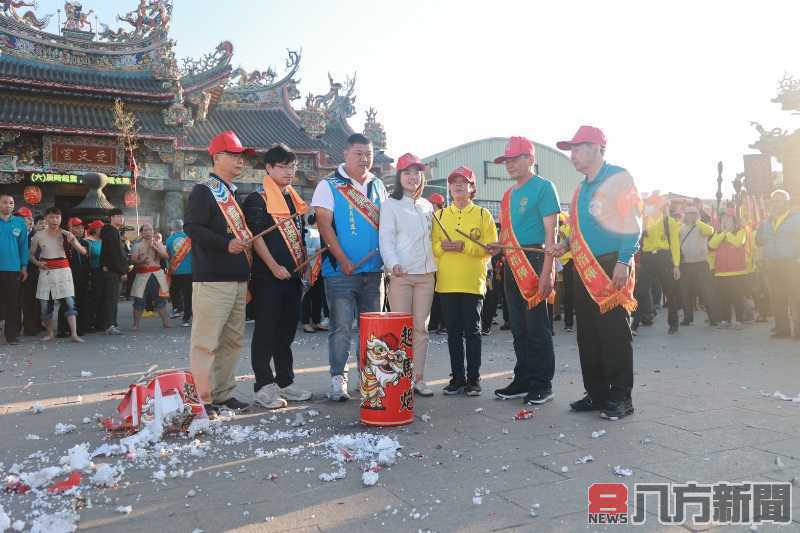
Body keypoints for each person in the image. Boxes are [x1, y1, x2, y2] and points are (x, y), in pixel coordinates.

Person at [550, 125, 642, 420]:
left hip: (611, 263)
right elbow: (577, 230)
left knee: (613, 332)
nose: (572, 156)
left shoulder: (618, 177)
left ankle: (620, 397)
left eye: (577, 149)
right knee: (587, 333)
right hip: (583, 267)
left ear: (597, 148)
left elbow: (632, 222)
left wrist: (624, 260)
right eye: (571, 150)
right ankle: (597, 393)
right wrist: (562, 244)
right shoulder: (580, 189)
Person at [311, 133, 388, 401]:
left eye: (368, 153)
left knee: (372, 329)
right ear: (345, 153)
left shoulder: (379, 185)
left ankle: (369, 380)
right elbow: (323, 224)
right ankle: (337, 380)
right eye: (358, 153)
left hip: (374, 271)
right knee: (341, 327)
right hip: (340, 272)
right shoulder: (329, 185)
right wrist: (343, 260)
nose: (364, 159)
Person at [185, 130, 253, 415]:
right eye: (234, 155)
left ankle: (223, 393)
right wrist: (226, 244)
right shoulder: (203, 190)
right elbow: (193, 228)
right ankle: (201, 398)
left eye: (241, 157)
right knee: (206, 342)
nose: (240, 161)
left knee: (232, 341)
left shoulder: (233, 194)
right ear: (216, 157)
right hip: (212, 279)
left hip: (236, 280)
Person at [488, 137, 560, 406]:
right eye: (506, 160)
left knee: (537, 326)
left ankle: (543, 383)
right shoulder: (508, 195)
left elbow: (551, 233)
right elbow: (509, 234)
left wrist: (548, 272)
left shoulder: (544, 187)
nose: (509, 165)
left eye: (515, 159)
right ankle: (523, 378)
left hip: (536, 259)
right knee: (518, 326)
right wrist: (498, 245)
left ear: (530, 159)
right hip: (511, 260)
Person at [243, 143, 313, 409]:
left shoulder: (293, 198)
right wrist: (273, 267)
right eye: (282, 166)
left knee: (286, 332)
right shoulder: (257, 199)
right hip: (267, 277)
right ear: (269, 168)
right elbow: (256, 238)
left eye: (292, 166)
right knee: (266, 331)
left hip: (293, 276)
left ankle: (285, 381)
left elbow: (300, 236)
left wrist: (304, 265)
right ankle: (263, 385)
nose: (288, 171)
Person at [432, 166, 497, 396]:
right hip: (447, 283)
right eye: (454, 182)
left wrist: (465, 246)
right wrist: (442, 246)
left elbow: (490, 249)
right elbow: (432, 248)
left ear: (472, 188)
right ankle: (457, 378)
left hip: (472, 283)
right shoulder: (439, 216)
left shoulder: (483, 215)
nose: (458, 185)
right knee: (453, 333)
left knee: (473, 332)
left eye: (464, 182)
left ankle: (474, 379)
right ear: (449, 188)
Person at [379, 152, 437, 397]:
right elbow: (386, 238)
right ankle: (400, 377)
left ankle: (419, 378)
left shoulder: (427, 206)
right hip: (402, 274)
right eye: (407, 172)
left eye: (416, 172)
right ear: (399, 176)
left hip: (426, 275)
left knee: (420, 328)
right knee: (399, 328)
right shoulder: (390, 205)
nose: (413, 177)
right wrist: (393, 263)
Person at [28, 207, 86, 343]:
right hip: (46, 271)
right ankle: (50, 333)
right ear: (46, 219)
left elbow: (83, 251)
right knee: (45, 306)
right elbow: (30, 254)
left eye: (57, 217)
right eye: (52, 217)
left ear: (61, 219)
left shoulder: (66, 234)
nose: (55, 220)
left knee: (70, 303)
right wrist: (38, 263)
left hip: (63, 271)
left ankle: (74, 334)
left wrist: (73, 242)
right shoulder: (38, 235)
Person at [756, 190, 800, 338]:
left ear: (786, 203)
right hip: (773, 264)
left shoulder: (796, 219)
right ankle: (782, 330)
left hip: (792, 263)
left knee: (796, 297)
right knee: (777, 298)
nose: (776, 203)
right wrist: (760, 230)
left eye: (779, 200)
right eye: (774, 201)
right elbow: (759, 241)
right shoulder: (766, 222)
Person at [639, 199, 682, 334]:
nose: (649, 208)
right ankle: (635, 323)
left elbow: (675, 244)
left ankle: (673, 324)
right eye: (648, 205)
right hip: (647, 258)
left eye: (652, 205)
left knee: (670, 292)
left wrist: (676, 265)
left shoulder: (669, 222)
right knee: (640, 291)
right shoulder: (643, 221)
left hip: (663, 257)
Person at [709, 211, 749, 330]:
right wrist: (723, 233)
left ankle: (739, 320)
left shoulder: (741, 231)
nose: (725, 222)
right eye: (723, 221)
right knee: (724, 298)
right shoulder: (719, 233)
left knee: (737, 297)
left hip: (737, 271)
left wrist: (728, 234)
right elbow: (712, 245)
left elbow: (738, 243)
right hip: (721, 272)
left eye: (728, 220)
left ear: (734, 222)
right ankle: (725, 320)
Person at [678, 206, 717, 326]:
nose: (691, 215)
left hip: (701, 264)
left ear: (697, 215)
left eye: (694, 213)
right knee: (685, 293)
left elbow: (711, 231)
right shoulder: (681, 228)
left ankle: (713, 318)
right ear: (685, 215)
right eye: (688, 213)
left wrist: (698, 221)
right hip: (685, 265)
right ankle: (687, 318)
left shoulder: (701, 226)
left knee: (706, 292)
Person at [130, 223, 171, 330]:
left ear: (153, 232)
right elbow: (133, 260)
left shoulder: (158, 244)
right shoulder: (137, 245)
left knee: (160, 300)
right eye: (146, 230)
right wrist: (141, 260)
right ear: (142, 232)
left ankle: (166, 323)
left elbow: (166, 256)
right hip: (142, 274)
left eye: (150, 230)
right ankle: (136, 325)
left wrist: (156, 249)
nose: (148, 232)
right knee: (139, 300)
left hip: (156, 274)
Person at [0, 194, 28, 345]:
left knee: (13, 303)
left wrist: (24, 266)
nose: (8, 205)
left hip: (13, 269)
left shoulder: (19, 222)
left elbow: (24, 247)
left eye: (11, 203)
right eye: (4, 202)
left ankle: (12, 335)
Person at [57, 217, 90, 337]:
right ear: (69, 227)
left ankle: (79, 328)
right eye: (76, 227)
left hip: (82, 277)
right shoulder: (63, 241)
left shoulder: (85, 243)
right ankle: (62, 329)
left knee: (81, 302)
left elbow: (86, 256)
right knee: (66, 303)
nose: (80, 229)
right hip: (66, 275)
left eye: (81, 227)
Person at [99, 208, 128, 335]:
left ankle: (111, 323)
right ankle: (109, 325)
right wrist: (123, 270)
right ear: (111, 217)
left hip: (111, 269)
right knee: (111, 298)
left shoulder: (113, 231)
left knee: (112, 298)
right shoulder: (111, 232)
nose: (121, 218)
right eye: (117, 216)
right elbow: (115, 254)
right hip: (112, 271)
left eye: (122, 216)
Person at [301, 213, 327, 333]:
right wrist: (315, 250)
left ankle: (316, 320)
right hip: (310, 269)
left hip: (320, 269)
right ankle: (306, 322)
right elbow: (304, 249)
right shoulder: (308, 231)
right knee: (307, 296)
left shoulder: (323, 232)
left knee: (318, 297)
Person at [165, 219, 193, 327]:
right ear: (183, 226)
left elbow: (167, 255)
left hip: (175, 270)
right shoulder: (190, 238)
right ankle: (186, 318)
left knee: (173, 291)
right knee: (188, 295)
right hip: (190, 271)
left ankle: (177, 308)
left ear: (172, 228)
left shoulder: (170, 239)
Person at [84, 220, 104, 332]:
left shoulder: (103, 241)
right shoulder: (88, 241)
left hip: (103, 272)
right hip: (92, 271)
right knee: (92, 298)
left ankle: (100, 321)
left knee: (101, 297)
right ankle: (90, 322)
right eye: (101, 228)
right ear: (96, 229)